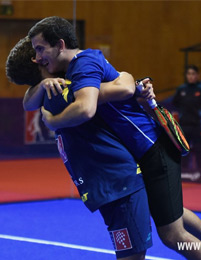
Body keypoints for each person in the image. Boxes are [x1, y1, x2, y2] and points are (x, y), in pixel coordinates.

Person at [27, 16, 201, 260]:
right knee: (168, 211)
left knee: (172, 234)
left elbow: (86, 108)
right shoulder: (73, 69)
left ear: (60, 45)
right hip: (139, 154)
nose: (38, 57)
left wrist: (52, 121)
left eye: (40, 49)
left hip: (153, 149)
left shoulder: (84, 63)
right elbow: (30, 101)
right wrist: (44, 86)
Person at [7, 36, 152, 260]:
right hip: (119, 183)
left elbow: (28, 101)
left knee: (169, 225)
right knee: (135, 254)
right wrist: (130, 81)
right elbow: (122, 86)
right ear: (40, 62)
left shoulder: (46, 97)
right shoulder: (67, 92)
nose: (45, 55)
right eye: (40, 52)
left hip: (106, 187)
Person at [172, 65, 201, 174]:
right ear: (186, 76)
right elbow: (175, 103)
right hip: (184, 125)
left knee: (200, 150)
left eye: (193, 74)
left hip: (198, 125)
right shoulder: (181, 89)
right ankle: (184, 173)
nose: (191, 76)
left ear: (197, 76)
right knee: (184, 150)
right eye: (189, 74)